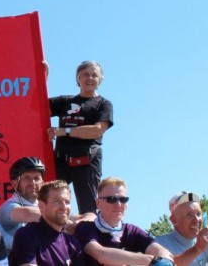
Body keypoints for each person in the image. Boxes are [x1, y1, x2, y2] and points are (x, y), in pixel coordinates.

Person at [47, 60, 114, 214]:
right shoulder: (65, 101)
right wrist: (43, 77)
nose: (89, 78)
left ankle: (88, 235)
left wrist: (65, 131)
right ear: (78, 78)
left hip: (87, 161)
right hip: (61, 161)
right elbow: (37, 105)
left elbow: (97, 130)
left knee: (88, 207)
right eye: (85, 74)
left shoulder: (103, 104)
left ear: (100, 80)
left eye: (94, 75)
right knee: (48, 198)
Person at [73, 177, 174, 266]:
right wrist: (152, 260)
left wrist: (164, 260)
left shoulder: (132, 231)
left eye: (123, 199)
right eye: (112, 199)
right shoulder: (84, 228)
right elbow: (102, 255)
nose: (118, 204)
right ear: (98, 203)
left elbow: (162, 252)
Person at [9, 180, 85, 266]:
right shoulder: (27, 235)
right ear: (42, 206)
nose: (64, 207)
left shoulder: (73, 243)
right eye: (57, 201)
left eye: (67, 202)